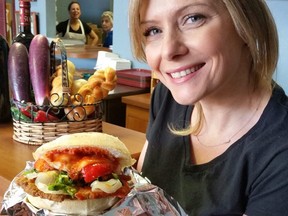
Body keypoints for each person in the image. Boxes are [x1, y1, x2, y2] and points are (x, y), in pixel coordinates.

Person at [129, 0, 288, 215]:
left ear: (246, 22)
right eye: (153, 30)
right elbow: (142, 199)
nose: (168, 51)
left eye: (193, 18)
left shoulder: (280, 153)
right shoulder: (166, 97)